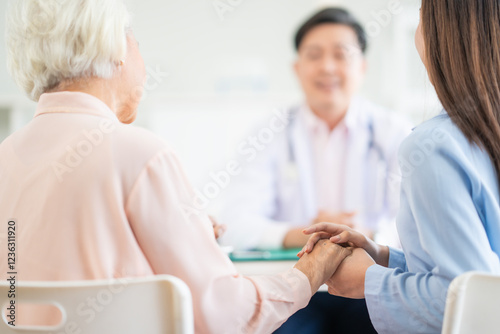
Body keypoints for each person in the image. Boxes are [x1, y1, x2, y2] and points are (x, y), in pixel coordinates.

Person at [0, 0, 352, 332]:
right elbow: (228, 318)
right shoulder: (140, 153)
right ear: (116, 51)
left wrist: (185, 232)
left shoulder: (6, 155)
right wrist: (311, 270)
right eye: (136, 42)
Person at [300, 1, 500, 333]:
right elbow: (476, 268)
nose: (327, 68)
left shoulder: (430, 145)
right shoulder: (482, 132)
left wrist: (369, 280)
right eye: (314, 55)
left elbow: (471, 301)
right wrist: (380, 255)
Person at [219, 7, 412, 333]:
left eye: (341, 54)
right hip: (294, 287)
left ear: (362, 67)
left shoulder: (395, 132)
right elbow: (236, 222)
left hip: (369, 287)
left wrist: (368, 235)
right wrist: (306, 232)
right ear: (297, 67)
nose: (327, 66)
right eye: (314, 55)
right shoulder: (268, 134)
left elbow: (413, 223)